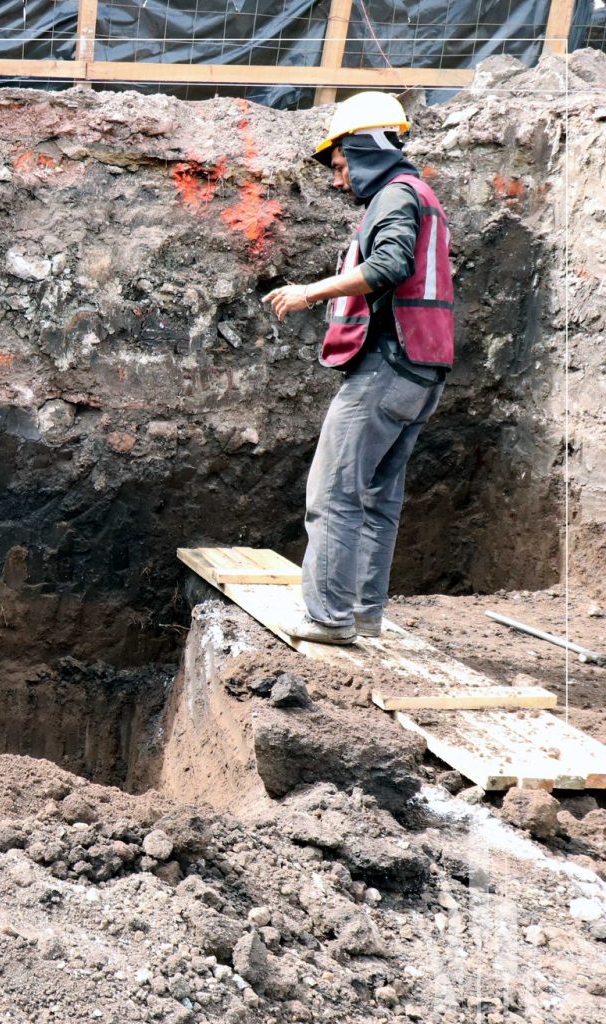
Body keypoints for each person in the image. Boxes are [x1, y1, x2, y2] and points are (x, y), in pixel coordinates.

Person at [262, 92, 454, 646]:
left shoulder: (395, 198)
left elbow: (389, 265)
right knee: (377, 498)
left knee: (333, 493)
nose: (341, 180)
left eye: (343, 165)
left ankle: (327, 618)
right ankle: (365, 614)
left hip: (387, 366)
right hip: (423, 368)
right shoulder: (421, 195)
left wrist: (308, 291)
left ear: (366, 149)